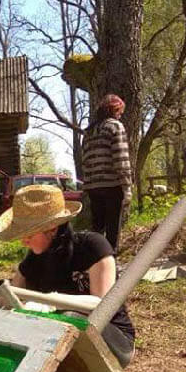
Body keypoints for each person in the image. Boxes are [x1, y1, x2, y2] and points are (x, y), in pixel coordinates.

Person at [0, 184, 135, 366]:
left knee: (69, 317)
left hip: (112, 339)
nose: (23, 240)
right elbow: (12, 294)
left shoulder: (93, 247)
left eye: (28, 233)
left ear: (52, 228)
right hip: (57, 339)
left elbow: (101, 305)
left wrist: (51, 301)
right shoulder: (33, 260)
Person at [82, 93, 132, 253]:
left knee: (97, 228)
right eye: (120, 112)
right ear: (115, 110)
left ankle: (96, 261)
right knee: (112, 229)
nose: (120, 115)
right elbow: (121, 159)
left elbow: (85, 161)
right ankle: (111, 264)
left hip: (93, 187)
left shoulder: (89, 131)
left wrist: (88, 185)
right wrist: (127, 187)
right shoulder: (115, 126)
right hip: (112, 185)